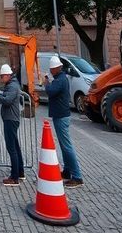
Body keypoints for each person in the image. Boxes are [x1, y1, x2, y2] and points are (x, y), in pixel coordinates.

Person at [45, 55, 84, 188]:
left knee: (67, 147)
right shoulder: (60, 78)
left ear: (57, 68)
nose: (50, 71)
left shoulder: (60, 80)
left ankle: (77, 176)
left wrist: (46, 83)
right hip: (61, 115)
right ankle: (67, 171)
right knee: (63, 146)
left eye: (52, 69)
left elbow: (50, 91)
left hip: (61, 116)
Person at [0, 63, 24, 186]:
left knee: (12, 148)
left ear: (7, 75)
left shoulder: (12, 86)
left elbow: (7, 100)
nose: (1, 79)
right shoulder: (12, 85)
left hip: (10, 119)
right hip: (11, 118)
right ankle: (19, 172)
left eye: (2, 77)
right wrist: (0, 93)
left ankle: (14, 177)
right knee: (15, 146)